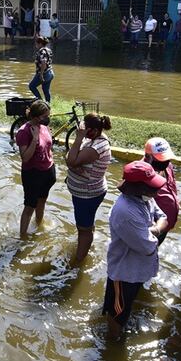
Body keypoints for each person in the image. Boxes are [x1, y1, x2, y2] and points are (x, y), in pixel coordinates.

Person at [102, 161, 171, 340]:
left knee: (127, 304)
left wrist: (154, 229)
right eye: (152, 187)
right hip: (125, 273)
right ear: (137, 188)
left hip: (138, 268)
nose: (157, 191)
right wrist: (157, 228)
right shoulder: (126, 212)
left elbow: (163, 217)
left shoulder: (145, 197)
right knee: (118, 311)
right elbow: (148, 247)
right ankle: (113, 340)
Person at [66, 112, 113, 263]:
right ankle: (86, 247)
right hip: (88, 190)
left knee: (83, 229)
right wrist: (73, 164)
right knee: (87, 224)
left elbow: (71, 160)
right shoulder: (96, 139)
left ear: (92, 130)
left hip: (87, 194)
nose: (82, 131)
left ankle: (79, 262)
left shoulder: (95, 147)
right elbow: (71, 159)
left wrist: (79, 138)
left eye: (84, 128)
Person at [15, 100, 57, 237]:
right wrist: (34, 139)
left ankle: (39, 225)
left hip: (47, 172)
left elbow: (48, 147)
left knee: (42, 201)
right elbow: (25, 157)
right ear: (35, 116)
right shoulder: (23, 132)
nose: (47, 119)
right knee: (30, 206)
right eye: (45, 116)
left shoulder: (43, 126)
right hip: (33, 174)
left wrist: (51, 160)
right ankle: (22, 236)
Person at [143, 137, 180, 232]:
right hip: (153, 226)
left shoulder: (168, 166)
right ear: (148, 156)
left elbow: (172, 185)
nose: (164, 162)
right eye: (160, 159)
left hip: (165, 223)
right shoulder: (141, 175)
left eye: (166, 158)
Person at [29, 36, 54, 103]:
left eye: (36, 43)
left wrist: (41, 74)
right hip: (50, 73)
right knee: (46, 90)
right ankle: (48, 104)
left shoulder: (41, 51)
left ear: (40, 43)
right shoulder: (48, 50)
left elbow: (44, 62)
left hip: (44, 73)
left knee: (31, 86)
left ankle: (40, 102)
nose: (35, 45)